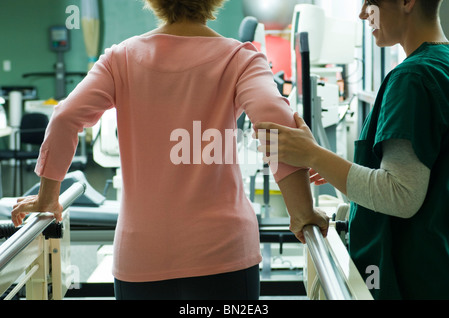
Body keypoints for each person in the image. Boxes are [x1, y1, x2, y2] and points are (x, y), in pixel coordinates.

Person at [11, 0, 328, 300]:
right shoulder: (240, 58)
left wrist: (48, 196)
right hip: (224, 254)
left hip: (141, 258)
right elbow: (275, 122)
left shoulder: (120, 57)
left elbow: (65, 117)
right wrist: (302, 211)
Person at [255, 0, 449, 299]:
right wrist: (334, 165)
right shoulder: (441, 64)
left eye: (370, 3)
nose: (362, 13)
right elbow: (430, 175)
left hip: (412, 279)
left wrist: (311, 154)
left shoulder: (412, 78)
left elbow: (401, 195)